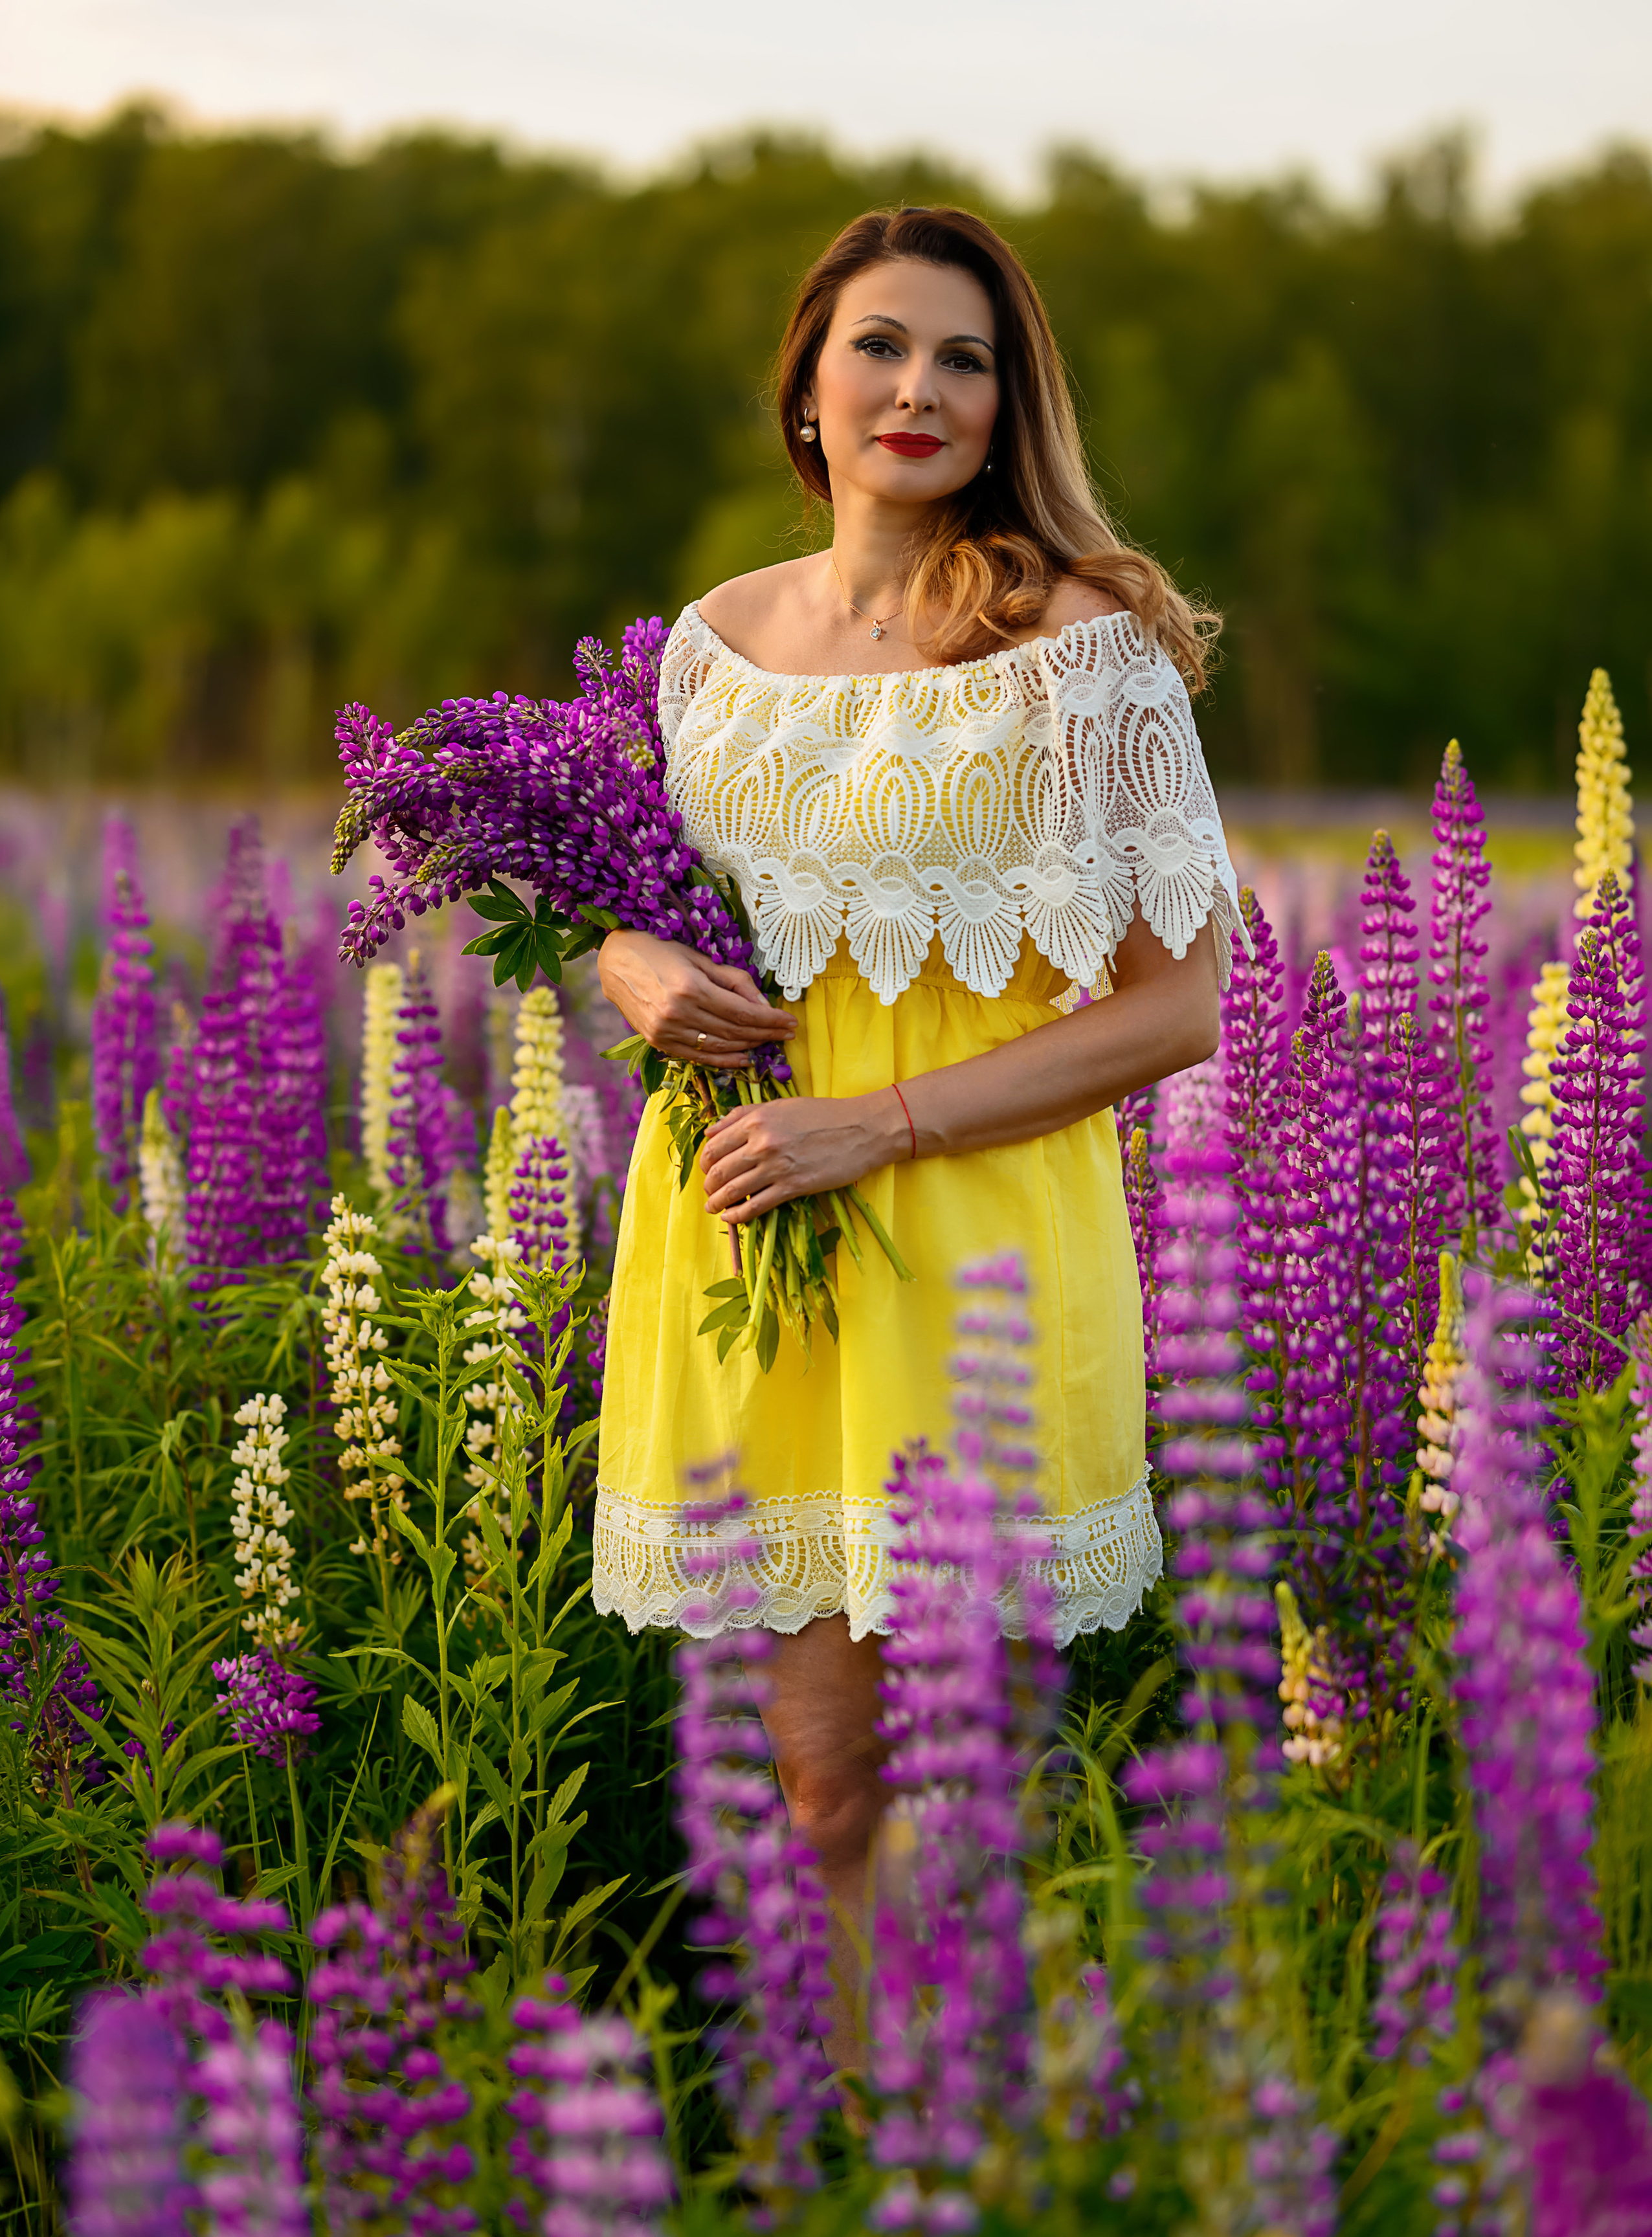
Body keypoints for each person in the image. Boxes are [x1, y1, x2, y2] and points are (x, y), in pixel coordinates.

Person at [592, 205, 1242, 2069]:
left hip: (967, 1236)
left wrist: (875, 1126)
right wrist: (631, 964)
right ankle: (890, 2171)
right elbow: (625, 897)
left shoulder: (1080, 649)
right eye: (879, 345)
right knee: (818, 1786)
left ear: (1012, 403)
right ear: (806, 383)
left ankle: (1012, 2160)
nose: (919, 389)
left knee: (952, 1787)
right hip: (746, 1229)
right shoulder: (711, 646)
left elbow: (1181, 1006)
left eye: (967, 358)